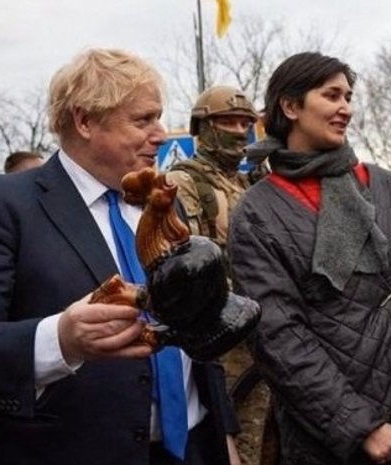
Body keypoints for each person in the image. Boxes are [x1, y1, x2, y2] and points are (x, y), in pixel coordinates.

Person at [0, 48, 239, 465]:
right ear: (84, 120)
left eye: (158, 117)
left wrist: (224, 433)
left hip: (195, 448)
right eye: (143, 120)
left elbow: (192, 331)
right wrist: (60, 340)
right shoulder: (0, 205)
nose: (161, 133)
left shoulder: (161, 205)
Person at [228, 52, 391, 465]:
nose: (346, 108)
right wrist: (361, 427)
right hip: (328, 442)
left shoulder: (389, 187)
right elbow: (279, 337)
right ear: (290, 106)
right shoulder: (257, 211)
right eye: (332, 95)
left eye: (349, 96)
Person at [166, 86, 265, 464]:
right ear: (202, 127)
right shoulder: (183, 183)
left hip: (266, 336)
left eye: (245, 123)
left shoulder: (248, 181)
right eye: (227, 121)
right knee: (236, 447)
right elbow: (192, 267)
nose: (239, 130)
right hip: (224, 343)